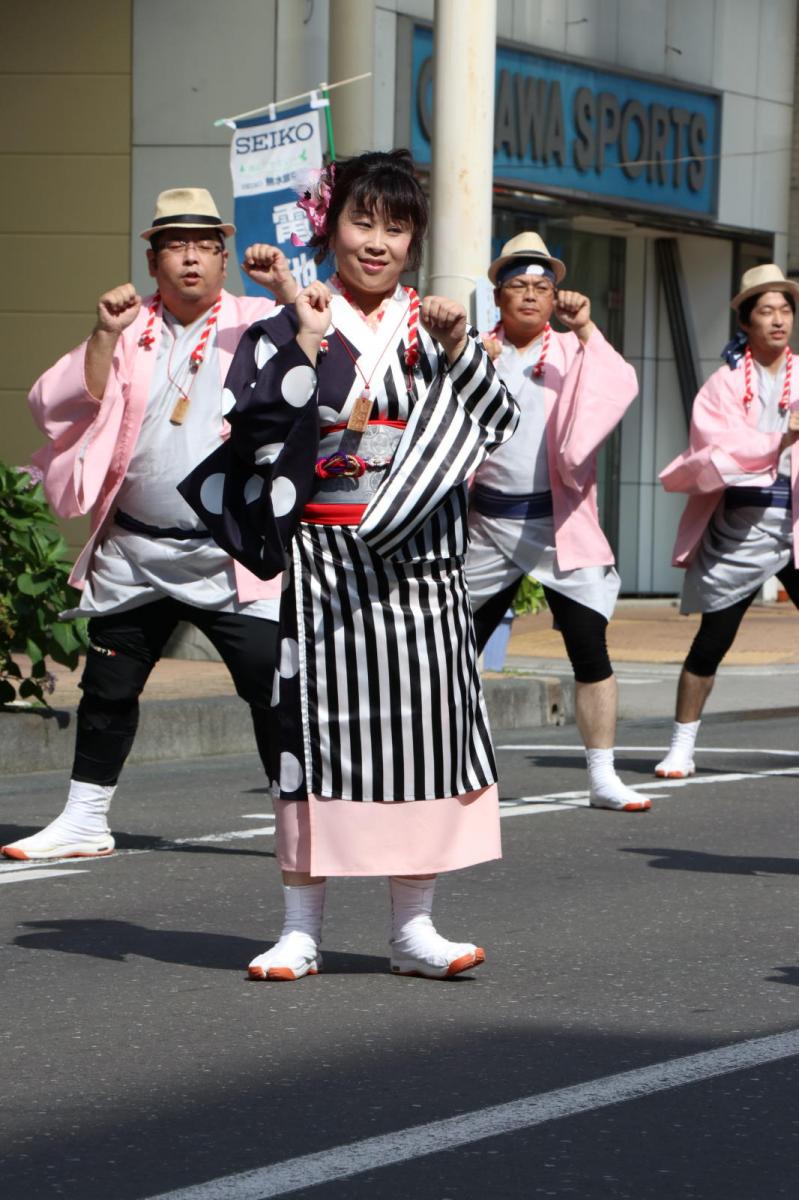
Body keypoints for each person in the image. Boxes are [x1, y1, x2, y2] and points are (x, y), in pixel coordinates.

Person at [182, 150, 519, 980]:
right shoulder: (291, 321)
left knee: (425, 735)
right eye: (361, 222)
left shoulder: (434, 327)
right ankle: (300, 929)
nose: (377, 242)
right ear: (328, 227)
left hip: (421, 562)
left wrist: (459, 348)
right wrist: (304, 336)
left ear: (413, 241)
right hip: (325, 558)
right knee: (312, 737)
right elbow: (250, 429)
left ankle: (413, 928)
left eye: (395, 228)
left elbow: (497, 419)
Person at [1, 187, 298, 862]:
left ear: (223, 259)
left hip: (232, 554)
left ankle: (297, 818)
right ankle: (84, 820)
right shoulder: (128, 325)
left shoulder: (256, 319)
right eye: (176, 245)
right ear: (152, 259)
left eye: (204, 246)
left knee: (272, 685)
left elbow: (326, 356)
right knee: (107, 688)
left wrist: (284, 287)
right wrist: (104, 333)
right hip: (134, 549)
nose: (191, 258)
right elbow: (54, 405)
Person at [465, 232, 649, 812]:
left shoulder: (573, 349)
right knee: (453, 650)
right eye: (517, 285)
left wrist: (587, 327)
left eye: (540, 287)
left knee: (589, 648)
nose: (529, 295)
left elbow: (620, 383)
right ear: (498, 296)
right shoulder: (474, 351)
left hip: (560, 521)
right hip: (486, 524)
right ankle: (456, 769)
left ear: (554, 298)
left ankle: (602, 775)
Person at [654, 264, 799, 778]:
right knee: (712, 641)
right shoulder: (722, 384)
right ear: (745, 321)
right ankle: (681, 745)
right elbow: (716, 449)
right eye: (767, 311)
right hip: (739, 524)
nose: (778, 320)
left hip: (795, 523)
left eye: (785, 310)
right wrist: (778, 440)